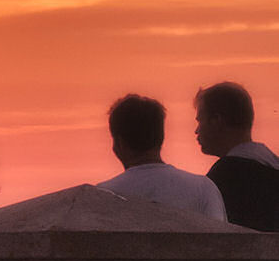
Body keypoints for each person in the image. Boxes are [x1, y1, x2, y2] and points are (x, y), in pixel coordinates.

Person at [98, 94, 226, 221]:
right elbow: (224, 240)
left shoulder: (100, 196)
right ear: (161, 138)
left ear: (119, 143)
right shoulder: (203, 189)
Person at [193, 81, 279, 232]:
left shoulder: (224, 177)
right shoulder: (272, 167)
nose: (196, 130)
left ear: (217, 121)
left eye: (200, 120)